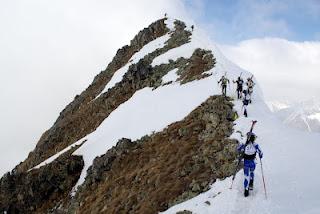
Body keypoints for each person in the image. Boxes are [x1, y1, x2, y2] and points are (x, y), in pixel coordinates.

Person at [237, 132, 263, 197]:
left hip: (246, 162)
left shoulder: (244, 144)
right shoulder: (255, 145)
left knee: (246, 176)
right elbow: (261, 153)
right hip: (253, 162)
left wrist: (243, 149)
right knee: (252, 172)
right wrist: (260, 155)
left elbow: (238, 149)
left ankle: (246, 190)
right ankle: (251, 183)